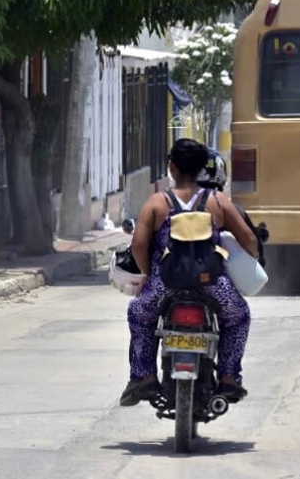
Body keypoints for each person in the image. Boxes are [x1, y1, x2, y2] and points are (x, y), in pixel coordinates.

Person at [120, 138, 261, 407]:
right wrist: (247, 260)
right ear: (200, 169)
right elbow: (250, 240)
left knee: (139, 315)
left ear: (171, 167)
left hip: (166, 282)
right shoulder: (218, 201)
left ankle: (145, 376)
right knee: (238, 316)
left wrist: (148, 275)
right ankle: (229, 379)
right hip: (212, 282)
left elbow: (138, 245)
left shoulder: (157, 203)